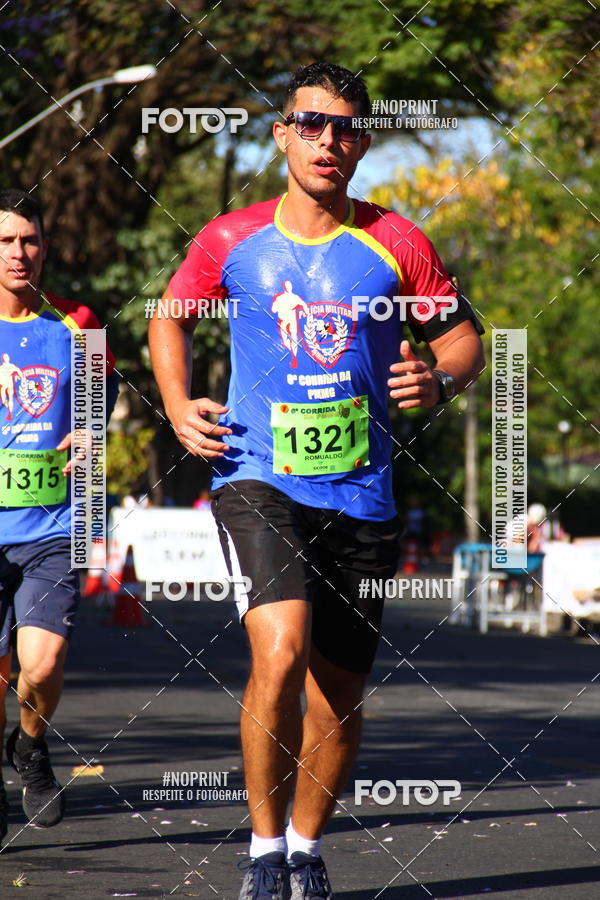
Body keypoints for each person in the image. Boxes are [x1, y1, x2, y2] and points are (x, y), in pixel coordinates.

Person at [149, 62, 485, 899]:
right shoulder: (230, 238)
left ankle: (305, 845)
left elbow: (465, 336)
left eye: (343, 129)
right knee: (281, 645)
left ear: (363, 142)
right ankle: (263, 854)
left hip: (363, 491)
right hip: (257, 473)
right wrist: (176, 404)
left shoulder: (397, 241)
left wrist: (440, 378)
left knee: (336, 700)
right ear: (283, 133)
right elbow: (169, 314)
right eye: (310, 124)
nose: (327, 141)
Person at [0, 189, 118, 847]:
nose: (20, 253)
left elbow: (104, 397)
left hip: (53, 525)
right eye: (7, 241)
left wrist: (92, 432)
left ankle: (32, 745)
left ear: (45, 246)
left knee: (40, 665)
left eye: (30, 240)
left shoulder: (76, 322)